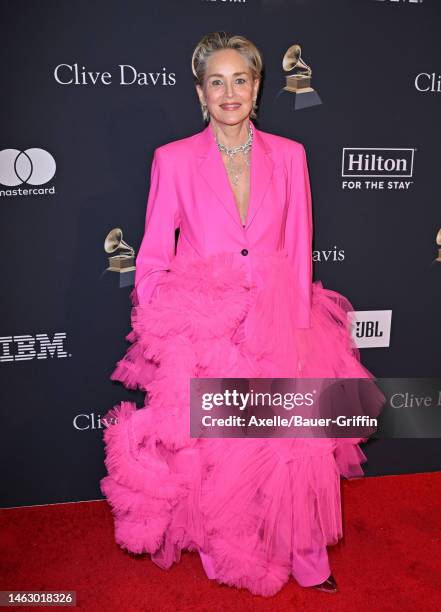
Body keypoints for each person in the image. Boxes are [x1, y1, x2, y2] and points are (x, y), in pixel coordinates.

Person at [100, 31, 380, 597]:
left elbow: (300, 246)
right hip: (206, 329)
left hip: (279, 319)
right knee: (217, 454)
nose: (230, 92)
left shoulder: (291, 155)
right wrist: (174, 321)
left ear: (257, 88)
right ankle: (224, 549)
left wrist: (298, 324)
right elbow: (152, 257)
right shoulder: (174, 160)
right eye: (217, 81)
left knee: (293, 446)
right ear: (201, 93)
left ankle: (306, 559)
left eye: (241, 80)